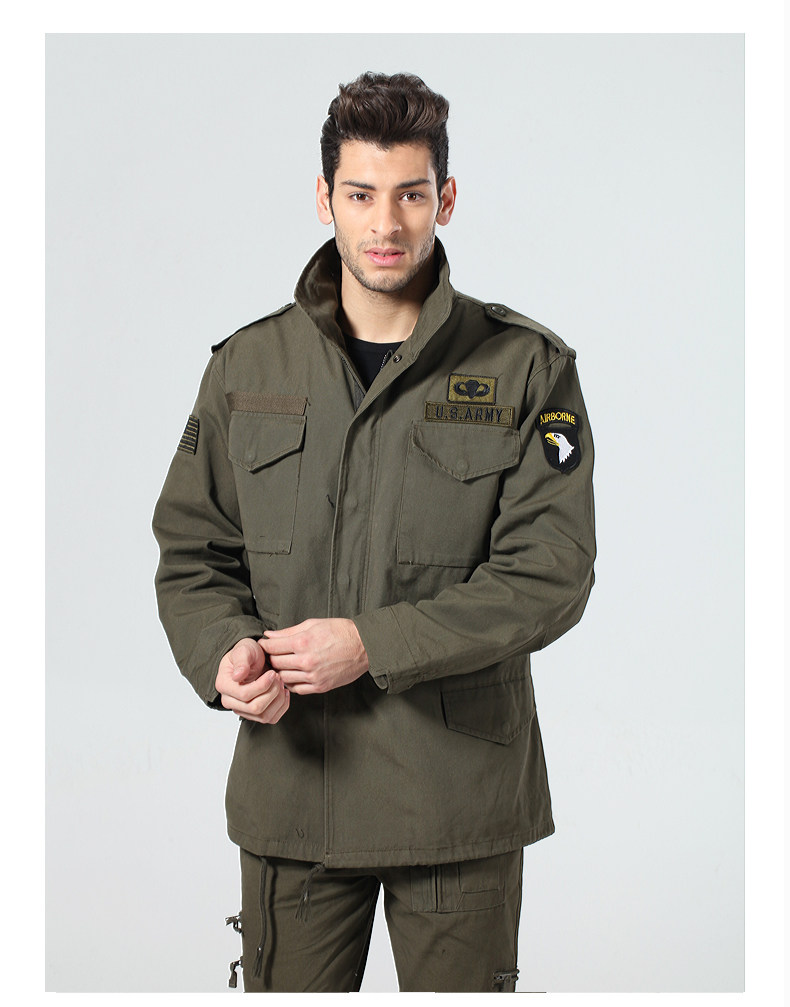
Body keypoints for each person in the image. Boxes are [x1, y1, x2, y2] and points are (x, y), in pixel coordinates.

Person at [152, 70, 596, 994]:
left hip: (458, 802)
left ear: (447, 199)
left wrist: (370, 644)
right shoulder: (247, 366)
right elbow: (194, 552)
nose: (385, 224)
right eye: (360, 195)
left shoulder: (525, 366)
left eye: (410, 195)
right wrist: (224, 651)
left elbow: (550, 573)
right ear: (325, 199)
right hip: (294, 790)